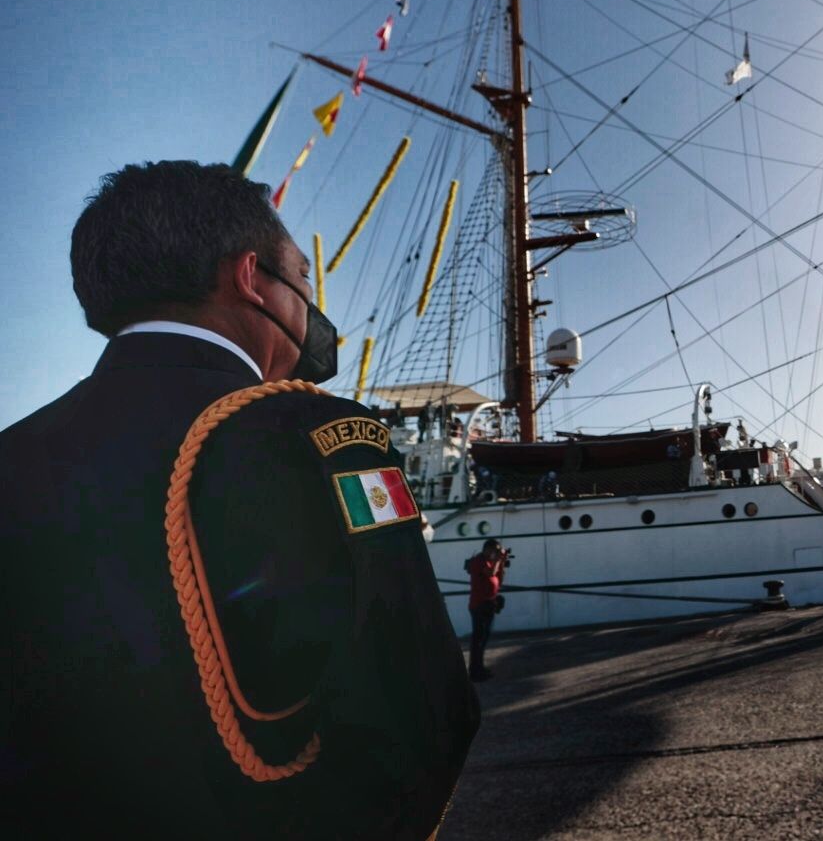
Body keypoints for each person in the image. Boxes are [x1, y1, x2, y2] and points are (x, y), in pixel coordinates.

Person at [0, 162, 478, 836]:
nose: (310, 307)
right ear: (253, 279)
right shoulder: (322, 435)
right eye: (304, 280)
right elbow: (419, 706)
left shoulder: (13, 454)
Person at [465, 539, 509, 681]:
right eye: (495, 550)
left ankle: (479, 668)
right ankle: (474, 671)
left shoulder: (491, 562)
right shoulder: (479, 561)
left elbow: (499, 580)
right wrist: (498, 560)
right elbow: (490, 574)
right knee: (478, 639)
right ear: (487, 549)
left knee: (483, 639)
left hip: (489, 604)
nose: (496, 553)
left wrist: (501, 563)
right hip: (479, 605)